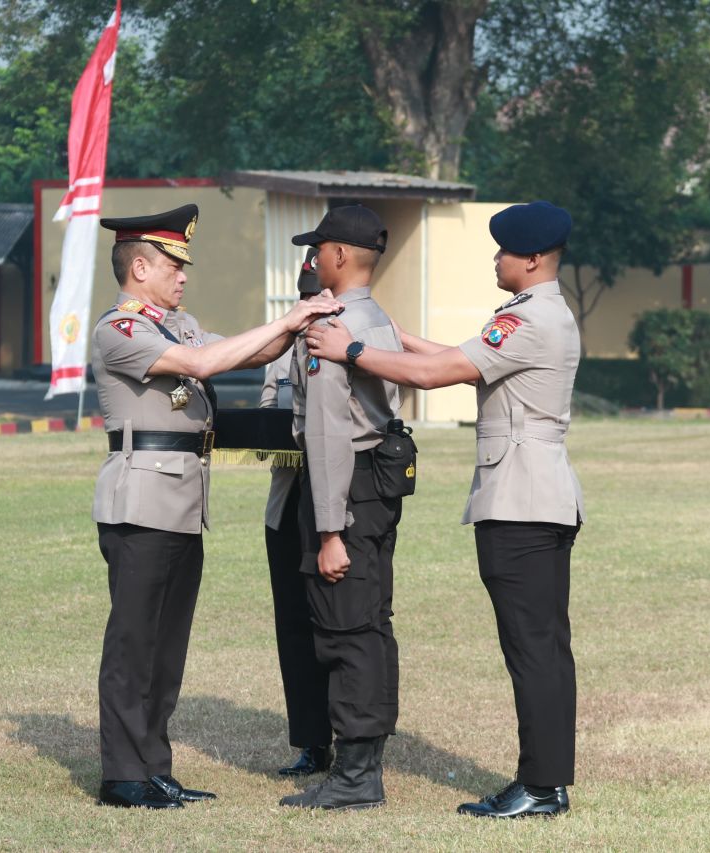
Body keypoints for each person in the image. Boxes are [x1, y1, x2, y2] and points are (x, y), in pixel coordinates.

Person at [306, 200, 585, 820]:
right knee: (540, 645)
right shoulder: (534, 314)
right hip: (531, 496)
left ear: (532, 259)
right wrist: (390, 337)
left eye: (505, 251)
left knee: (533, 648)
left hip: (522, 501)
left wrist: (351, 351)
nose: (496, 258)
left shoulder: (529, 320)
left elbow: (436, 376)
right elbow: (453, 361)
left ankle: (541, 785)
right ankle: (545, 780)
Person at [90, 204, 341, 810]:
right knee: (133, 642)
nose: (182, 275)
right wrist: (293, 315)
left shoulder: (178, 323)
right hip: (141, 499)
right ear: (140, 265)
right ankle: (122, 774)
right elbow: (204, 365)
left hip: (180, 501)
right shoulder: (120, 330)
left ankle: (154, 766)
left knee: (167, 645)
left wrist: (300, 322)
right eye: (173, 264)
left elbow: (242, 353)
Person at [278, 205, 404, 812]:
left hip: (346, 491)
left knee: (344, 627)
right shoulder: (377, 319)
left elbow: (327, 434)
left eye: (320, 248)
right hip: (378, 489)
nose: (315, 258)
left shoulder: (329, 328)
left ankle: (354, 776)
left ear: (340, 256)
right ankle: (366, 763)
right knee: (373, 623)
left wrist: (329, 530)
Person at [261, 249, 333, 777]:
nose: (312, 309)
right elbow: (268, 420)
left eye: (320, 298)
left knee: (337, 624)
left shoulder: (356, 343)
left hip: (337, 509)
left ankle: (352, 741)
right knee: (294, 626)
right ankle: (312, 742)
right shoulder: (279, 352)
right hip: (289, 502)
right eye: (306, 299)